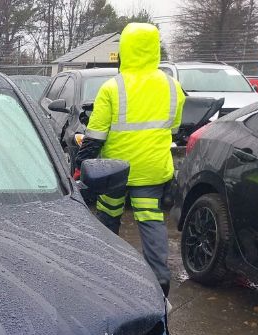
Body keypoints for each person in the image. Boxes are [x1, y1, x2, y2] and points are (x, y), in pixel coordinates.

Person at [75, 22, 185, 297]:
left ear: (125, 50)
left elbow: (95, 135)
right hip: (152, 169)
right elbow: (173, 128)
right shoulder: (172, 86)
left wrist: (81, 164)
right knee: (151, 221)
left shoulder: (113, 87)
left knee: (108, 216)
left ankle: (104, 273)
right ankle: (160, 279)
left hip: (115, 170)